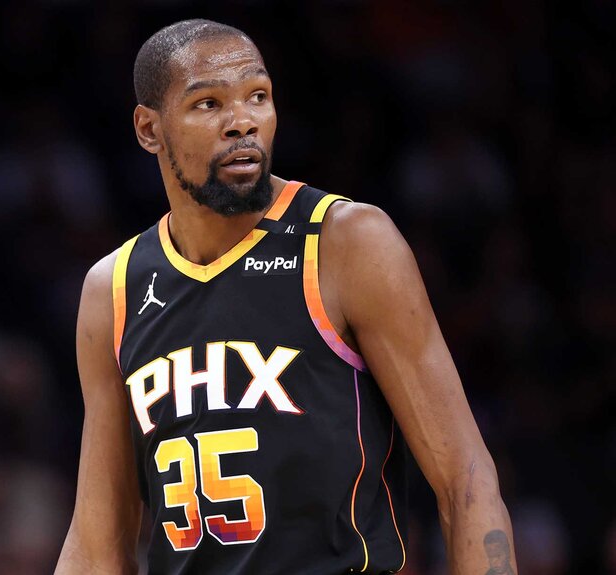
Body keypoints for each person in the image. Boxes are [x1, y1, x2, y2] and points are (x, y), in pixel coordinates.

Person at [56, 19, 517, 574]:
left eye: (258, 97)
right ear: (149, 130)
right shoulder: (114, 288)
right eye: (207, 104)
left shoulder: (346, 242)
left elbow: (465, 478)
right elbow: (97, 538)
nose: (241, 123)